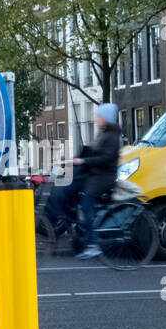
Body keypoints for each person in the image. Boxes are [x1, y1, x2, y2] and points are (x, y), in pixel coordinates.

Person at [44, 103, 121, 259]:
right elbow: (93, 151)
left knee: (85, 205)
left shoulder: (111, 137)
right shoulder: (104, 133)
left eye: (99, 116)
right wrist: (74, 159)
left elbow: (106, 158)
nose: (97, 118)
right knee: (74, 193)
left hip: (104, 177)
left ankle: (93, 245)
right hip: (96, 174)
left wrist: (83, 162)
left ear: (106, 118)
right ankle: (80, 234)